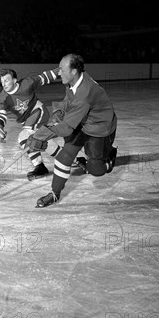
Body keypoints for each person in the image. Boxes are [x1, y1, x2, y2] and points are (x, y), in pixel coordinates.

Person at [26, 54, 118, 208]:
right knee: (64, 157)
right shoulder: (74, 80)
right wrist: (58, 114)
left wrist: (40, 134)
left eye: (62, 70)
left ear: (74, 71)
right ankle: (55, 193)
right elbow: (68, 101)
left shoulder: (85, 93)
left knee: (96, 170)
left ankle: (109, 156)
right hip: (82, 122)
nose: (59, 73)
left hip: (99, 128)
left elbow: (67, 127)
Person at [0, 67, 61, 180]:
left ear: (14, 80)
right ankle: (71, 158)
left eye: (6, 80)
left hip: (38, 111)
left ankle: (39, 166)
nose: (3, 84)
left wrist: (62, 69)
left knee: (24, 137)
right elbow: (0, 113)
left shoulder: (26, 84)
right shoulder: (2, 97)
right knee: (40, 140)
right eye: (1, 81)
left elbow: (45, 77)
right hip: (27, 119)